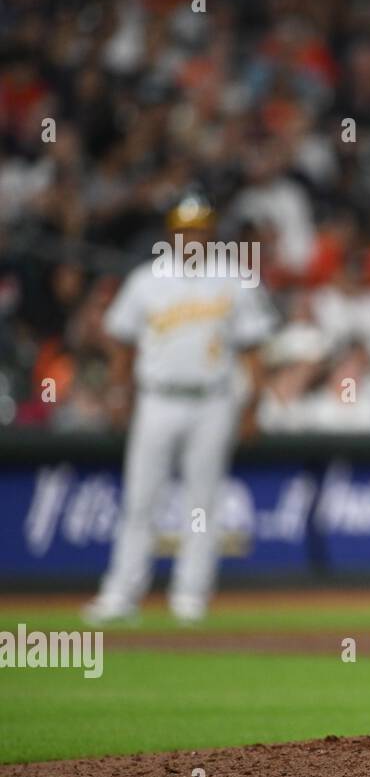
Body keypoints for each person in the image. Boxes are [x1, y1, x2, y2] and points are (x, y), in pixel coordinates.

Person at [82, 193, 278, 625]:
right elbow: (120, 342)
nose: (193, 237)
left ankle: (190, 595)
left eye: (200, 230)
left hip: (213, 400)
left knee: (202, 503)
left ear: (211, 234)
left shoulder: (233, 278)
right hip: (157, 397)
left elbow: (253, 350)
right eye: (185, 229)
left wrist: (253, 407)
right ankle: (121, 593)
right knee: (140, 500)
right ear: (171, 234)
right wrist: (120, 395)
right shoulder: (146, 280)